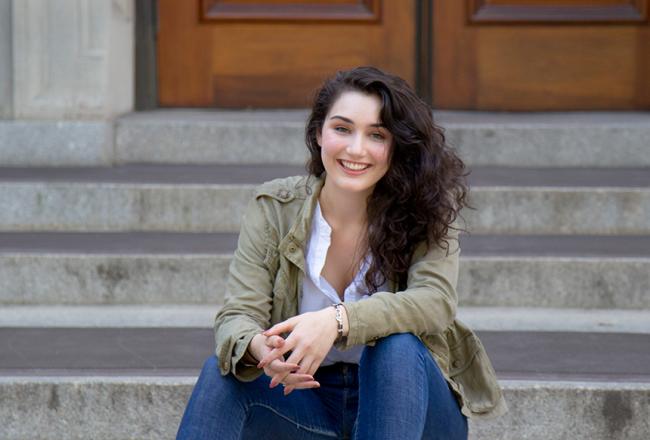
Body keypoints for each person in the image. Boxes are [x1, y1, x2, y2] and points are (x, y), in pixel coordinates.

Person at [176, 66, 507, 440]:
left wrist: (336, 320)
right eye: (342, 129)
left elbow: (435, 302)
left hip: (412, 402)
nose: (355, 149)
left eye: (376, 135)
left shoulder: (425, 209)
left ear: (396, 145)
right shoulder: (275, 207)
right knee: (221, 375)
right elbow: (238, 314)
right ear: (318, 133)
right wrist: (260, 349)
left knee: (397, 348)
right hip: (307, 399)